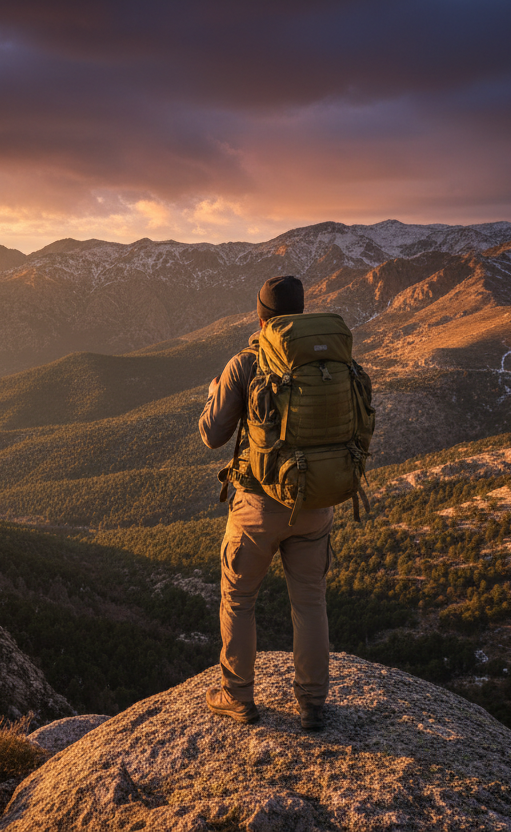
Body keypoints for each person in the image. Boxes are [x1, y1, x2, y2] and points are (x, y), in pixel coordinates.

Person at [197, 275, 333, 730]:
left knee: (238, 599)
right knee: (310, 601)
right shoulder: (325, 360)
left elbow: (212, 436)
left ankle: (237, 696)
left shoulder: (245, 363)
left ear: (260, 317)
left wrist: (215, 392)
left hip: (258, 504)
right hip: (315, 499)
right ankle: (312, 703)